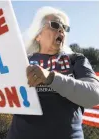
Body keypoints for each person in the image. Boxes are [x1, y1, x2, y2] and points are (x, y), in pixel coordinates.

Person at [6, 6, 99, 139]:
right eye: (55, 25)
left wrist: (51, 78)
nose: (61, 29)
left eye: (65, 28)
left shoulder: (76, 60)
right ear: (38, 35)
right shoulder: (23, 60)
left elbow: (94, 95)